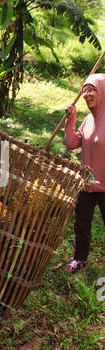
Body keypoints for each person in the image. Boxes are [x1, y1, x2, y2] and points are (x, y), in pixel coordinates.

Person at [64, 73, 105, 273]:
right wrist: (71, 120)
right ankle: (80, 259)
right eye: (84, 90)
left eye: (92, 89)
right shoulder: (88, 119)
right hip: (87, 184)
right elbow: (72, 143)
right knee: (81, 224)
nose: (86, 93)